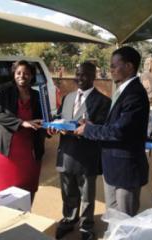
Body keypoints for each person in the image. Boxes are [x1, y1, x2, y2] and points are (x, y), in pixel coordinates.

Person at [75, 46, 150, 216]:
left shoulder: (135, 94)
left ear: (129, 67)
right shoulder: (122, 90)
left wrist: (89, 130)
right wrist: (92, 125)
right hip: (113, 167)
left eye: (114, 66)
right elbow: (115, 124)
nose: (110, 70)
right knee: (113, 217)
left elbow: (119, 132)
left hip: (126, 170)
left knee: (124, 221)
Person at [50, 62, 111, 240]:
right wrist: (53, 126)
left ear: (93, 77)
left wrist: (89, 127)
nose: (79, 78)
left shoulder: (103, 102)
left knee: (86, 196)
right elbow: (60, 117)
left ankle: (86, 227)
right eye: (77, 74)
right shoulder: (68, 97)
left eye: (84, 74)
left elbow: (103, 129)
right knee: (68, 192)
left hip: (86, 156)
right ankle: (69, 220)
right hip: (66, 153)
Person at [0, 60, 46, 203]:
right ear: (14, 74)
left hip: (31, 152)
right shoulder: (5, 92)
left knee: (28, 189)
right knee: (6, 193)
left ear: (32, 75)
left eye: (26, 73)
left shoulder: (37, 95)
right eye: (19, 73)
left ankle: (26, 217)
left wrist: (51, 127)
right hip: (8, 151)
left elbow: (44, 118)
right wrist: (22, 123)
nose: (22, 76)